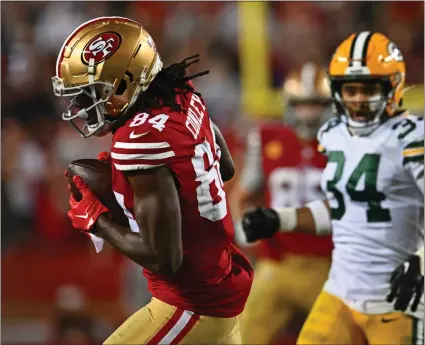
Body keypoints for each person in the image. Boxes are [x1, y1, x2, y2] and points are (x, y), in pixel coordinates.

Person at [52, 16, 253, 344]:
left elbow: (165, 258)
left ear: (124, 84)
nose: (82, 106)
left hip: (190, 305)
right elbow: (224, 167)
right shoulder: (180, 93)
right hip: (217, 283)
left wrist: (97, 220)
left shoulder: (139, 139)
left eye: (90, 93)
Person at [241, 31, 424, 344]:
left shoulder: (409, 139)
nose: (356, 100)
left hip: (391, 285)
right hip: (341, 283)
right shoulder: (341, 140)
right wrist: (280, 219)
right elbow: (342, 207)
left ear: (392, 87)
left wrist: (417, 262)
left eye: (367, 89)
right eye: (349, 90)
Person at [235, 63, 333, 344]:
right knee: (243, 335)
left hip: (327, 265)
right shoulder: (268, 138)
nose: (308, 113)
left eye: (316, 104)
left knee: (339, 335)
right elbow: (243, 194)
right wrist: (244, 224)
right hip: (278, 261)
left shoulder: (343, 143)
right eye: (302, 104)